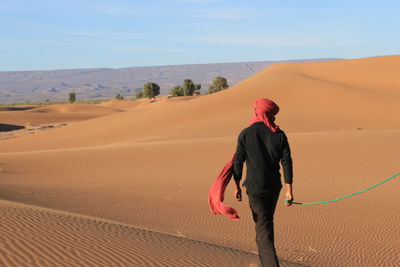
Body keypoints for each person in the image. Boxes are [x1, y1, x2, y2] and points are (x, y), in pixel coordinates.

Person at [233, 98, 293, 267]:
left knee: (263, 228)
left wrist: (236, 185)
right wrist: (289, 189)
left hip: (254, 189)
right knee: (265, 225)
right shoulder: (279, 134)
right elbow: (286, 161)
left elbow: (238, 161)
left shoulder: (245, 133)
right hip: (273, 188)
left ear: (257, 112)